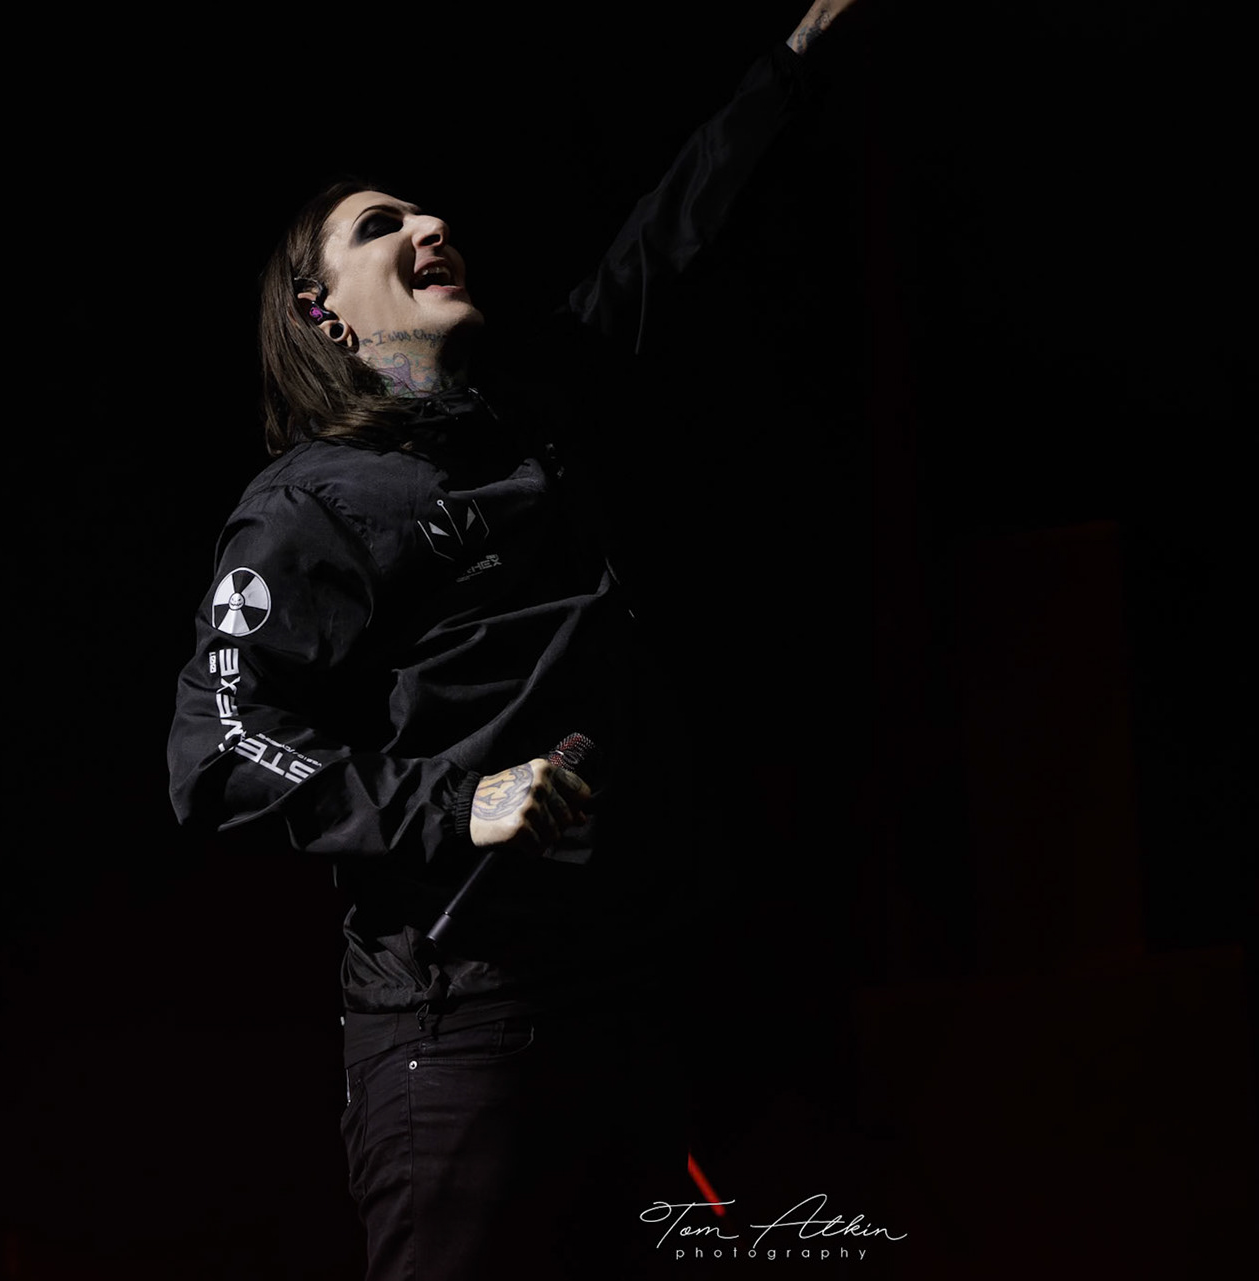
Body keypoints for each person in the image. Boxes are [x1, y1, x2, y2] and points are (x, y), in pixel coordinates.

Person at [166, 5, 860, 1277]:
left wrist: (795, 67)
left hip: (629, 1009)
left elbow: (661, 250)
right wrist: (454, 800)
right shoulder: (311, 504)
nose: (431, 224)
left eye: (425, 210)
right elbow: (217, 748)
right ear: (322, 314)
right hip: (464, 1033)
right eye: (381, 226)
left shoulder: (531, 422)